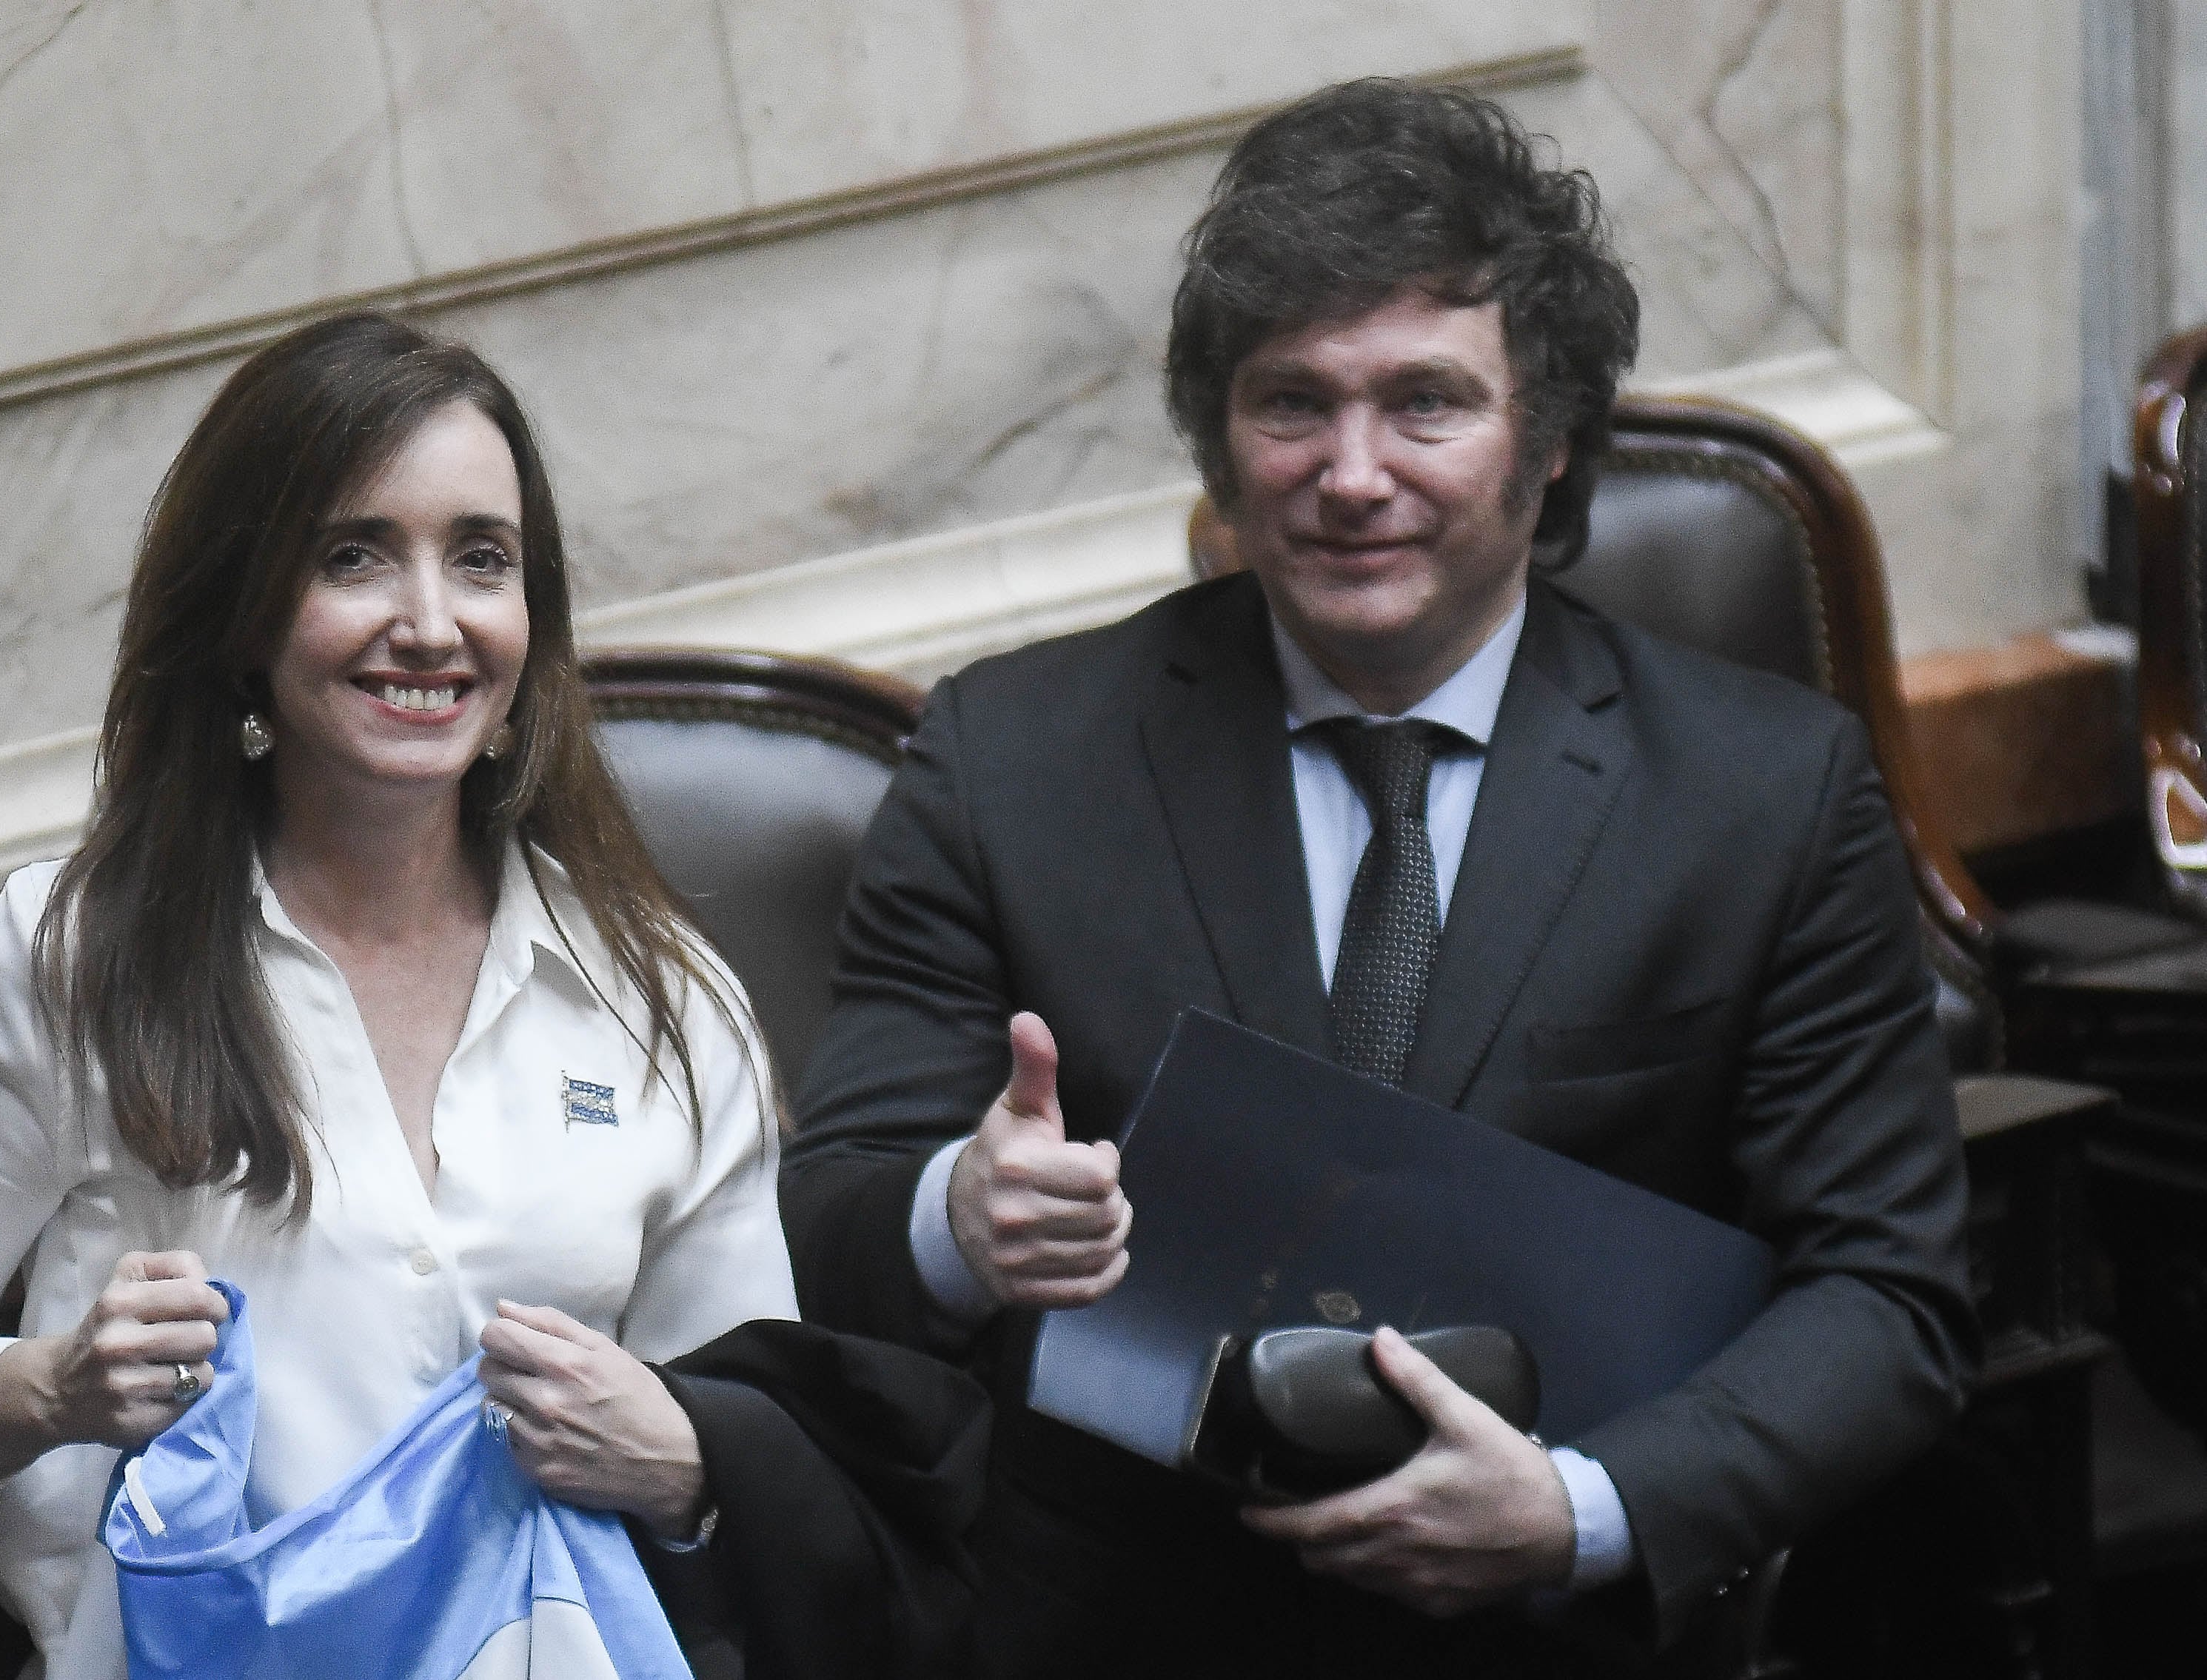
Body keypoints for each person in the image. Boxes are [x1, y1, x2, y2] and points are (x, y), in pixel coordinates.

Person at [779, 78, 1975, 1676]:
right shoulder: (1007, 757)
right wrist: (959, 1214)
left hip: (1552, 1637)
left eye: (1425, 403)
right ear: (1223, 438)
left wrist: (1588, 1508)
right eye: (1293, 404)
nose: (1351, 473)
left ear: (1547, 444)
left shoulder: (1765, 789)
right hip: (1116, 1630)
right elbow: (829, 1211)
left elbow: (1890, 1294)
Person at [0, 315, 805, 1678]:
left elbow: (749, 1437)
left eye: (482, 557)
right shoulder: (68, 963)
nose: (430, 622)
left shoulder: (660, 991)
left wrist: (683, 1458)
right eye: (352, 555)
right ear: (244, 615)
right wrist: (47, 1388)